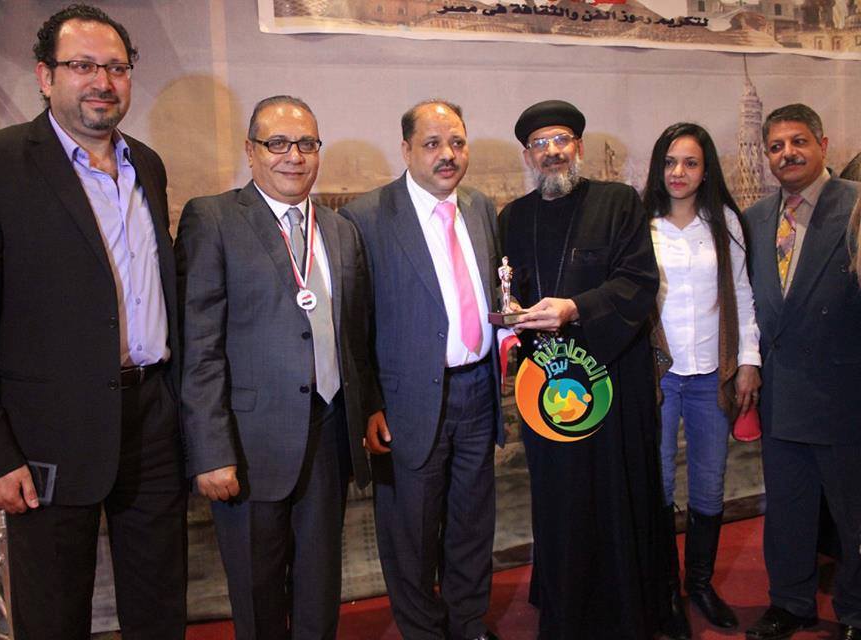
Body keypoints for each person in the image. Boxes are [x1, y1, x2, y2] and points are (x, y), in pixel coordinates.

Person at [0, 6, 186, 639]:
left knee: (160, 610)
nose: (103, 81)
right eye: (83, 66)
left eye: (117, 68)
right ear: (46, 77)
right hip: (45, 438)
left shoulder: (147, 164)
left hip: (152, 422)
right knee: (53, 618)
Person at [176, 95, 379, 639]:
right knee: (258, 592)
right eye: (278, 143)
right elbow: (199, 345)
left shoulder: (340, 229)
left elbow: (355, 338)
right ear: (251, 151)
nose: (294, 155)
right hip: (248, 444)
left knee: (320, 588)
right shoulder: (214, 219)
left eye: (307, 143)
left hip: (329, 434)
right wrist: (211, 451)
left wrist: (367, 412)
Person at [499, 99, 664, 640]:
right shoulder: (512, 218)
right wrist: (514, 314)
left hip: (613, 377)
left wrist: (574, 308)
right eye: (540, 144)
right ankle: (566, 607)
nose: (552, 152)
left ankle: (625, 612)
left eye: (561, 140)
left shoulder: (618, 202)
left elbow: (638, 281)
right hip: (548, 383)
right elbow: (509, 292)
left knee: (616, 493)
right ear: (528, 156)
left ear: (579, 147)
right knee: (560, 497)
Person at [341, 100, 503, 640]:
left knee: (472, 524)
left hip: (478, 393)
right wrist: (370, 406)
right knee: (409, 531)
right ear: (406, 149)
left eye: (457, 142)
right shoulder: (366, 218)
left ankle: (468, 623)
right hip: (406, 403)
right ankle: (423, 631)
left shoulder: (480, 207)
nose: (447, 154)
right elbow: (353, 327)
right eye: (433, 144)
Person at [742, 103, 861, 640]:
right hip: (781, 395)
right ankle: (790, 603)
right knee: (787, 510)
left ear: (822, 145)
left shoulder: (856, 206)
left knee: (854, 514)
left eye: (798, 142)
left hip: (844, 392)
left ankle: (855, 610)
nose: (786, 154)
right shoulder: (756, 219)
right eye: (776, 146)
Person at [643, 122, 762, 637]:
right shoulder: (641, 224)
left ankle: (701, 585)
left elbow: (743, 294)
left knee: (710, 483)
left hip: (713, 375)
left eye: (690, 163)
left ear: (706, 170)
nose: (679, 172)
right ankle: (667, 592)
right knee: (660, 484)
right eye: (670, 162)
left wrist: (749, 361)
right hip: (660, 377)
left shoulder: (726, 223)